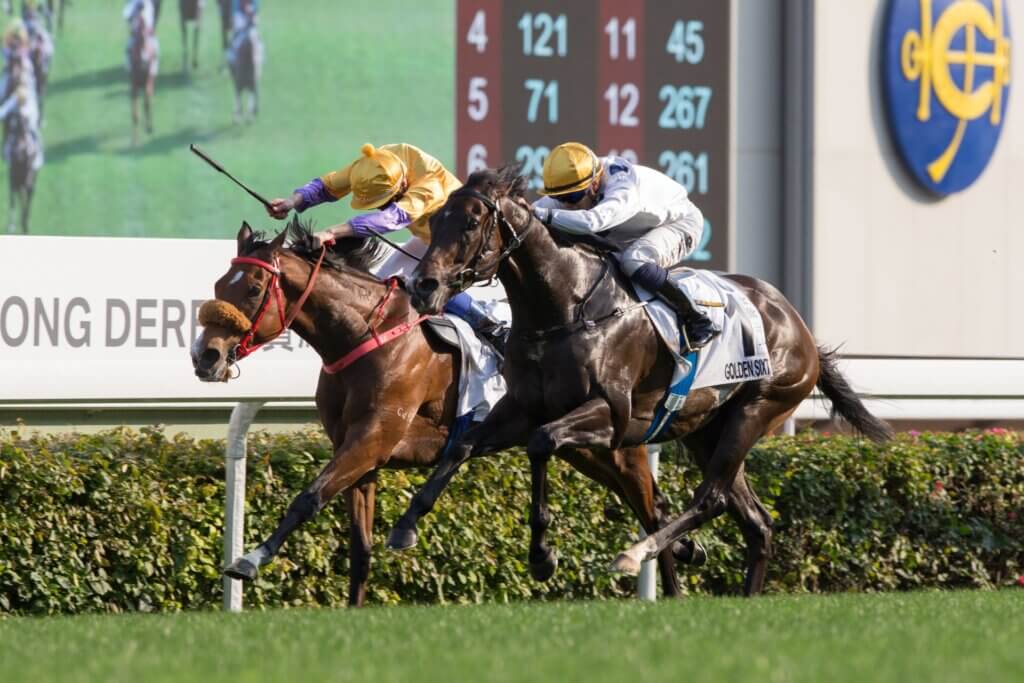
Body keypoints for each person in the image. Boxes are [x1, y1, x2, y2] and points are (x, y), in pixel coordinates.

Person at [266, 142, 510, 352]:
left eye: (387, 201)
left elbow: (390, 219)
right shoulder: (373, 164)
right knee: (384, 286)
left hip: (462, 246)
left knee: (423, 284)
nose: (383, 207)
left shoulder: (429, 185)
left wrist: (330, 232)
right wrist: (291, 202)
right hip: (430, 239)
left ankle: (488, 325)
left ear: (403, 184)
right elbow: (328, 184)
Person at [531, 142, 719, 351]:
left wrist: (543, 214)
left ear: (594, 183)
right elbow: (530, 213)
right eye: (559, 198)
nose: (566, 204)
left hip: (679, 223)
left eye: (573, 197)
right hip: (631, 231)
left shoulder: (622, 184)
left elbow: (593, 221)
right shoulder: (578, 183)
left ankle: (697, 319)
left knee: (633, 260)